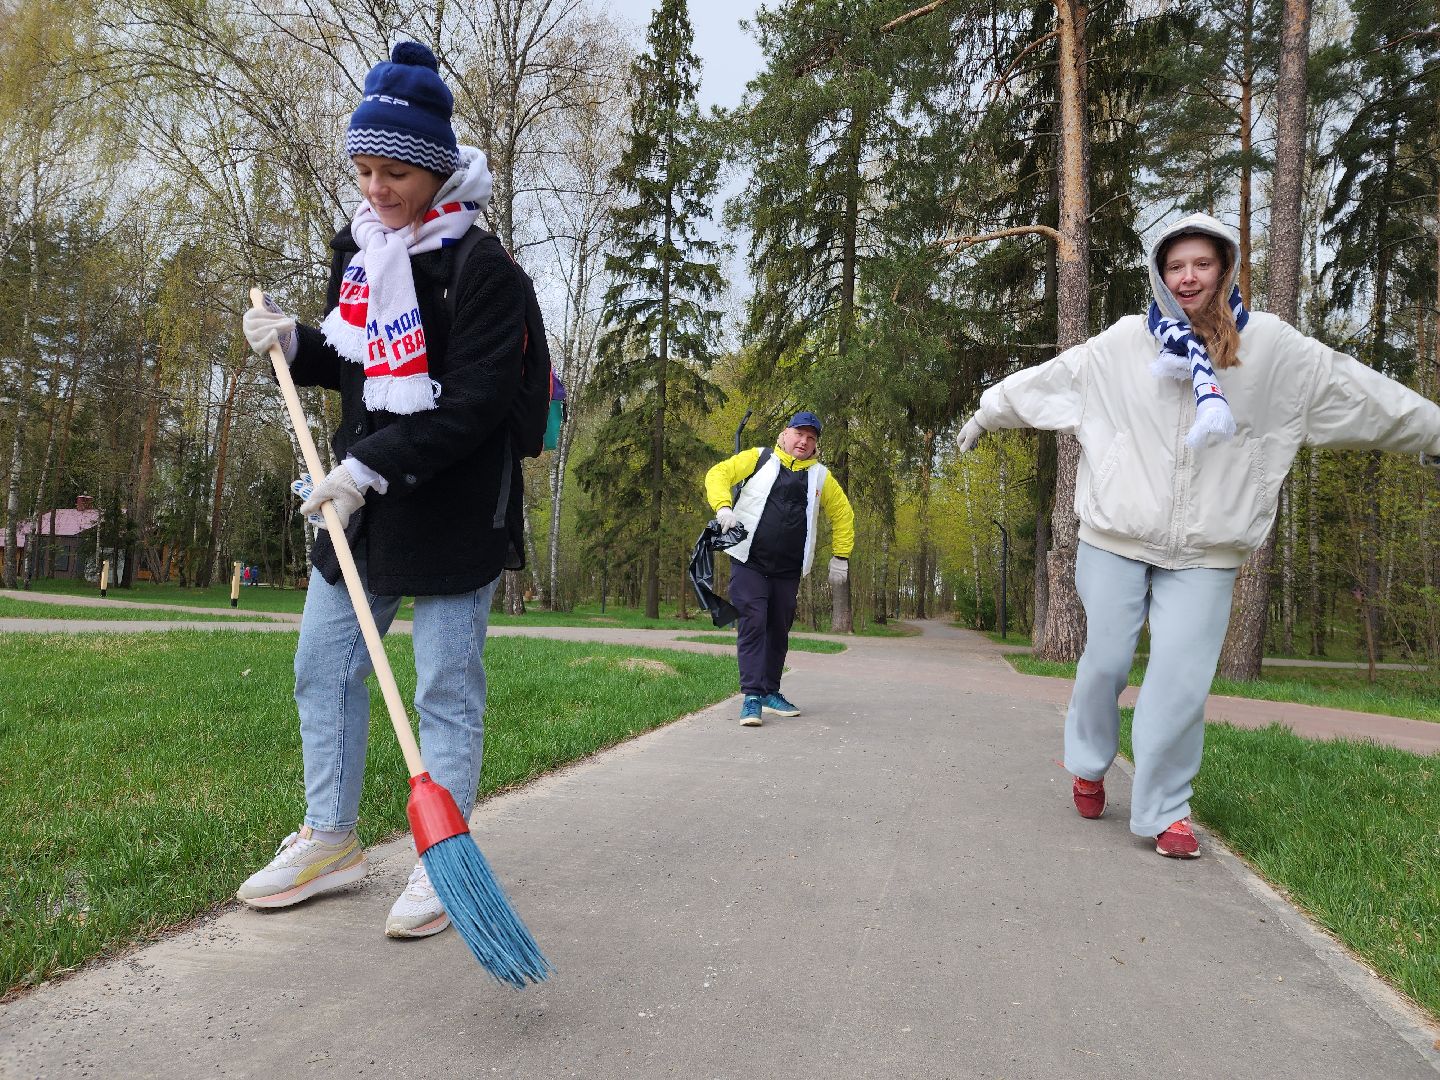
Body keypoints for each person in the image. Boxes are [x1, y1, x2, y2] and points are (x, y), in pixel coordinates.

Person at [957, 212, 1440, 858]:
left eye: (1202, 265)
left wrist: (1430, 431)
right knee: (1105, 662)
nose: (1188, 278)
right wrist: (989, 412)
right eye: (1175, 266)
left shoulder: (1269, 348)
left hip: (1208, 548)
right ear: (1160, 275)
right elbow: (1057, 381)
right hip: (1116, 536)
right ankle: (1089, 759)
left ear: (1226, 269)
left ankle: (1164, 810)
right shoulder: (1127, 343)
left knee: (1181, 682)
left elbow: (1354, 391)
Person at [236, 41, 526, 935]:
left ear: (435, 169)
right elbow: (358, 364)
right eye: (362, 169)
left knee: (444, 683)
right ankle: (331, 837)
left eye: (393, 171)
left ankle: (446, 860)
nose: (374, 190)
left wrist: (366, 469)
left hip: (453, 507)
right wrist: (295, 340)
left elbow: (477, 407)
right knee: (322, 666)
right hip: (361, 504)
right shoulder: (362, 252)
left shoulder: (485, 273)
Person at [704, 411, 855, 726]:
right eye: (799, 434)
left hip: (788, 569)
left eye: (811, 438)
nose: (804, 441)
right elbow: (718, 474)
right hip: (749, 560)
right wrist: (723, 507)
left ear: (816, 445)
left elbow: (842, 513)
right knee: (753, 621)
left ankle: (771, 691)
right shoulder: (759, 458)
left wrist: (841, 556)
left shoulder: (821, 477)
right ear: (786, 434)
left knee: (778, 629)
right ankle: (751, 697)